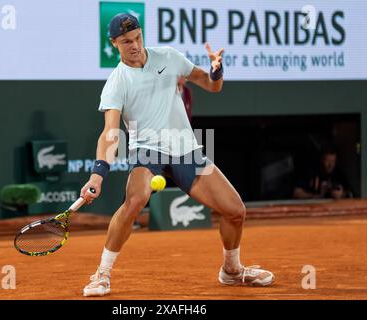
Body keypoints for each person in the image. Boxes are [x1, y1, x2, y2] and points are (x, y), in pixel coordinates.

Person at [80, 13, 274, 297]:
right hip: (147, 150)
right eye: (126, 42)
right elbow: (111, 133)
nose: (134, 46)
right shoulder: (116, 82)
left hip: (185, 148)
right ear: (114, 44)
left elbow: (211, 85)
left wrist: (216, 71)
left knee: (235, 211)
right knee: (135, 201)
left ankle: (231, 270)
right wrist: (98, 173)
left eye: (137, 38)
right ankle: (102, 274)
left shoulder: (169, 57)